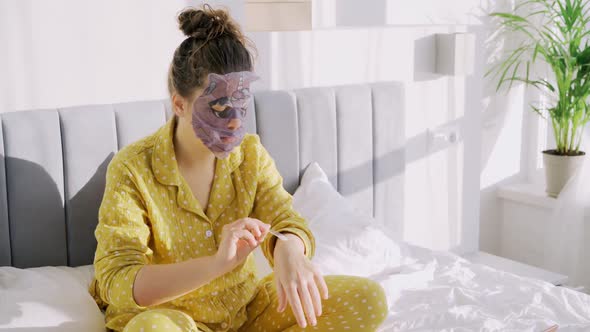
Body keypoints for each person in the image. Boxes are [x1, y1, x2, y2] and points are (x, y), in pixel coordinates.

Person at [89, 4, 388, 332]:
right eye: (219, 107)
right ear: (179, 104)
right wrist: (218, 264)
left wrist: (290, 248)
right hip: (169, 318)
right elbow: (118, 281)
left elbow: (286, 220)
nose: (235, 123)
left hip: (244, 312)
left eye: (243, 106)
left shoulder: (250, 155)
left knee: (368, 298)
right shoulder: (133, 169)